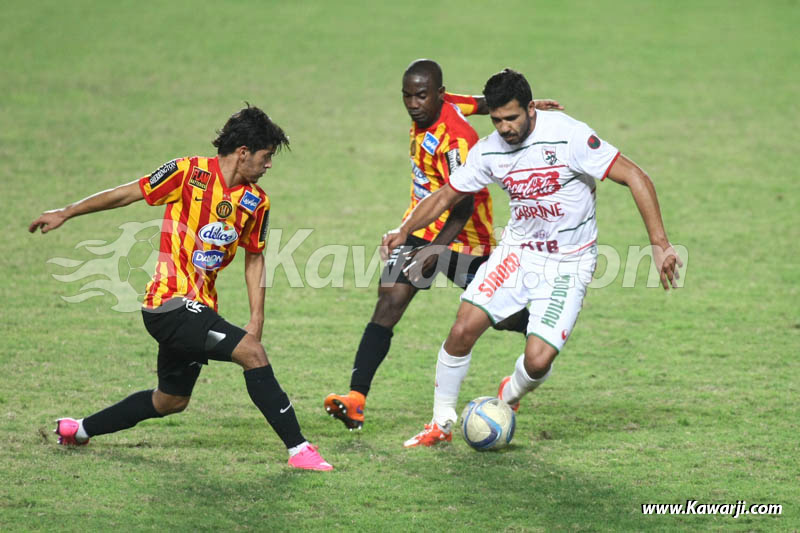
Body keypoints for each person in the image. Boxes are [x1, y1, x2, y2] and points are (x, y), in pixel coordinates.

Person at [381, 69, 682, 447]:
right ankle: (440, 423)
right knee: (462, 329)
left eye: (512, 118)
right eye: (497, 120)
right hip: (518, 253)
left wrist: (659, 243)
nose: (505, 128)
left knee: (538, 362)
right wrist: (404, 230)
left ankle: (508, 396)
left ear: (530, 109)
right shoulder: (489, 150)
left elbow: (635, 176)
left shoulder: (569, 135)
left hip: (569, 265)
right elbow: (444, 196)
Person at [28, 105, 333, 470]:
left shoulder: (257, 201)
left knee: (170, 400)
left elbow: (255, 258)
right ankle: (299, 450)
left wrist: (257, 317)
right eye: (266, 157)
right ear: (243, 152)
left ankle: (78, 429)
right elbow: (128, 193)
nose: (269, 165)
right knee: (252, 353)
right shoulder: (187, 172)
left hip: (199, 308)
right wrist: (67, 211)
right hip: (167, 304)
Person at [323, 59, 563, 430]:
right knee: (389, 300)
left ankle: (545, 329)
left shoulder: (456, 139)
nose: (413, 103)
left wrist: (435, 252)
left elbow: (462, 204)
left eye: (421, 96)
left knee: (502, 317)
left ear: (435, 94)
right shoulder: (444, 102)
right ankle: (355, 398)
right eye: (407, 95)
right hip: (422, 227)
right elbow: (482, 102)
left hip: (466, 238)